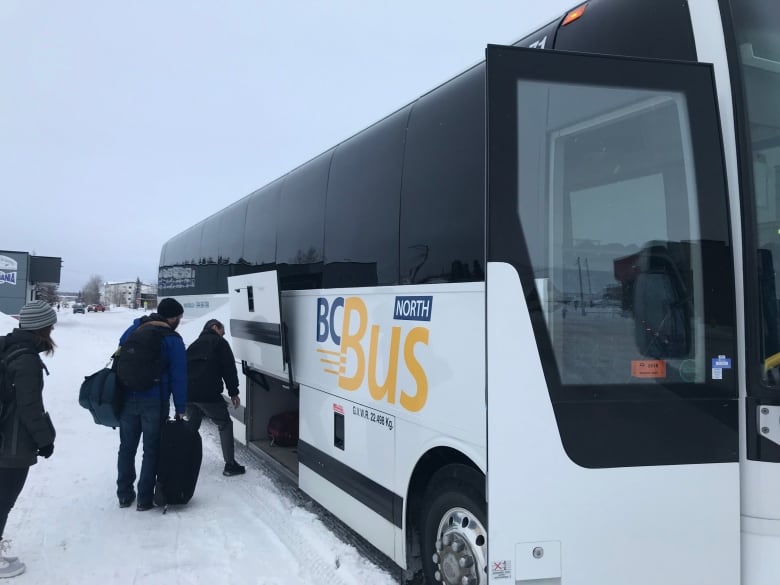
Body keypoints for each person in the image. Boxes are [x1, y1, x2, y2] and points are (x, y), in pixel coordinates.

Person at [0, 301, 57, 578]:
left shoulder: (8, 347)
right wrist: (45, 440)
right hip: (11, 441)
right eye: (51, 324)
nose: (53, 329)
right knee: (4, 498)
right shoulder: (26, 359)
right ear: (42, 328)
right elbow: (29, 406)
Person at [116, 298, 187, 511]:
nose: (179, 322)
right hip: (155, 400)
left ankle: (124, 494)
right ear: (173, 317)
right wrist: (181, 407)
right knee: (151, 449)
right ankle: (144, 499)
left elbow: (119, 356)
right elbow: (179, 376)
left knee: (126, 448)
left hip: (128, 397)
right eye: (179, 318)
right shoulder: (173, 339)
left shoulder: (134, 329)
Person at [186, 319, 245, 476]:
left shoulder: (195, 344)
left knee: (191, 427)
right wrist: (234, 392)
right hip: (208, 394)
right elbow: (229, 369)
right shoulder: (219, 343)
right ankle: (230, 465)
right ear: (214, 327)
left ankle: (184, 459)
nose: (223, 335)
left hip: (187, 394)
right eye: (222, 331)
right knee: (224, 424)